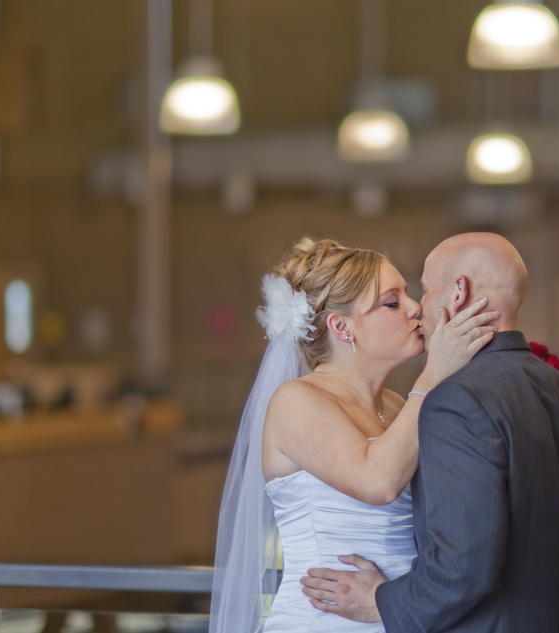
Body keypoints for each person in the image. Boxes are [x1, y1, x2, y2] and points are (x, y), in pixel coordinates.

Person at [300, 233, 559, 632]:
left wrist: (378, 601)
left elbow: (463, 566)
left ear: (458, 292)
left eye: (425, 289)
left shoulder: (456, 401)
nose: (419, 307)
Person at [209, 237, 499, 633]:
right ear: (342, 327)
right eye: (392, 302)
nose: (416, 307)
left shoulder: (400, 406)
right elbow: (377, 482)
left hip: (398, 614)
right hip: (326, 620)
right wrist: (435, 374)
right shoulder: (295, 401)